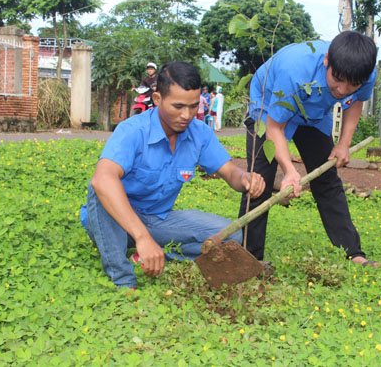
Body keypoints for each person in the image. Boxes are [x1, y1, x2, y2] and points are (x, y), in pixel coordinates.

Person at [80, 62, 266, 289]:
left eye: (193, 106)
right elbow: (103, 180)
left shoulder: (199, 133)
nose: (186, 115)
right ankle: (123, 279)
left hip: (156, 219)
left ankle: (153, 254)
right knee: (101, 189)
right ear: (158, 99)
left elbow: (230, 172)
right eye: (178, 106)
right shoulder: (133, 131)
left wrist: (245, 178)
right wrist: (142, 237)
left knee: (230, 237)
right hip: (113, 219)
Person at [238, 31, 381, 268]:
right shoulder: (294, 69)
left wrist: (343, 144)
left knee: (327, 180)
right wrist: (289, 170)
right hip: (268, 107)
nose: (343, 90)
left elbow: (356, 101)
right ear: (327, 60)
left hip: (313, 114)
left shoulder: (365, 72)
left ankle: (353, 253)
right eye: (338, 79)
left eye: (352, 84)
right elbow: (275, 127)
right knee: (259, 182)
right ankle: (248, 258)